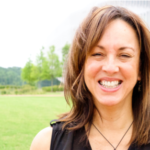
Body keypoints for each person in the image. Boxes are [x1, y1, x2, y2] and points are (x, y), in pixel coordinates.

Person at [30, 5, 150, 150]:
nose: (110, 68)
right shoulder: (46, 144)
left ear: (140, 70)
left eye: (124, 55)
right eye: (97, 54)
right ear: (81, 65)